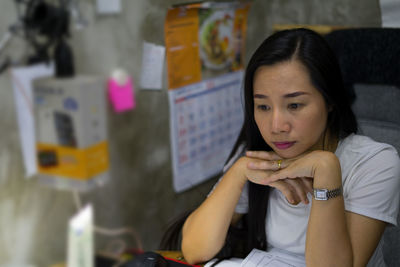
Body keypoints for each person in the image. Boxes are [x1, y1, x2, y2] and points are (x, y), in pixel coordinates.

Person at [180, 28, 400, 266]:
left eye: (294, 105)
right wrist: (239, 171)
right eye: (263, 107)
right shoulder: (256, 152)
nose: (276, 126)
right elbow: (195, 250)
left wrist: (326, 170)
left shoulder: (376, 163)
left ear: (330, 101)